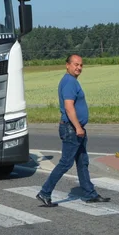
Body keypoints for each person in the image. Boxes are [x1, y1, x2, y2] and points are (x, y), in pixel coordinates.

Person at [35, 55, 111, 207]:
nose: (79, 68)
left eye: (81, 65)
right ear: (67, 65)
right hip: (72, 129)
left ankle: (90, 194)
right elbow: (69, 107)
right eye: (76, 64)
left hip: (76, 128)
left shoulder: (71, 81)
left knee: (82, 162)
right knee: (65, 163)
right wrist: (77, 127)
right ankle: (45, 192)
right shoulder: (69, 82)